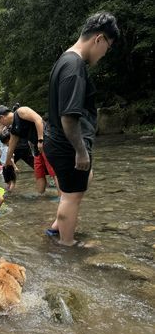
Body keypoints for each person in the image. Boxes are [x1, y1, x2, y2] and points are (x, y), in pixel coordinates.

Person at [44, 12, 119, 246]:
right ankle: (66, 246)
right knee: (72, 196)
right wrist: (80, 151)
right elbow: (68, 116)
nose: (105, 54)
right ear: (99, 39)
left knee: (81, 183)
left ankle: (57, 228)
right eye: (107, 47)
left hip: (58, 139)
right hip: (66, 143)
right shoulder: (74, 67)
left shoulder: (65, 59)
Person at [0, 106, 59, 195]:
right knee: (39, 173)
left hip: (47, 140)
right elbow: (11, 148)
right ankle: (42, 198)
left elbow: (38, 119)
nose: (0, 123)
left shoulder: (20, 111)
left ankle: (62, 197)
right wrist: (7, 163)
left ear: (2, 117)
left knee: (54, 172)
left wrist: (40, 140)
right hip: (37, 148)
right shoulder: (13, 130)